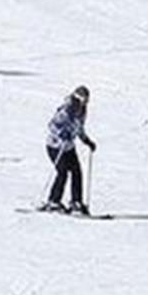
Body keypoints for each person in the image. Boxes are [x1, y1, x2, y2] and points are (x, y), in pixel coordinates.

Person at [44, 86, 95, 214]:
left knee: (77, 171)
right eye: (84, 100)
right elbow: (52, 125)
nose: (86, 103)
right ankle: (53, 201)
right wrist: (62, 135)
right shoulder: (67, 109)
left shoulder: (82, 111)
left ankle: (76, 202)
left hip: (68, 147)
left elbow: (79, 128)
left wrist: (86, 140)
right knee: (62, 172)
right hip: (55, 146)